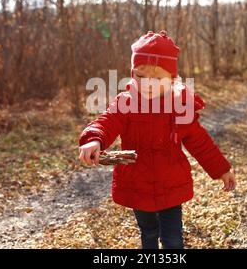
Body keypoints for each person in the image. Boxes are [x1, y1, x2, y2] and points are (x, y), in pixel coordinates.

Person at [78, 30, 236, 249]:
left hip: (171, 185)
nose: (148, 84)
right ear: (133, 75)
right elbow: (107, 121)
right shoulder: (125, 103)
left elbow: (200, 142)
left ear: (171, 79)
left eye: (157, 78)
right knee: (149, 232)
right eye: (141, 76)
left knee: (172, 240)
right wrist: (94, 139)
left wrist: (221, 169)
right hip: (137, 183)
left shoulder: (179, 106)